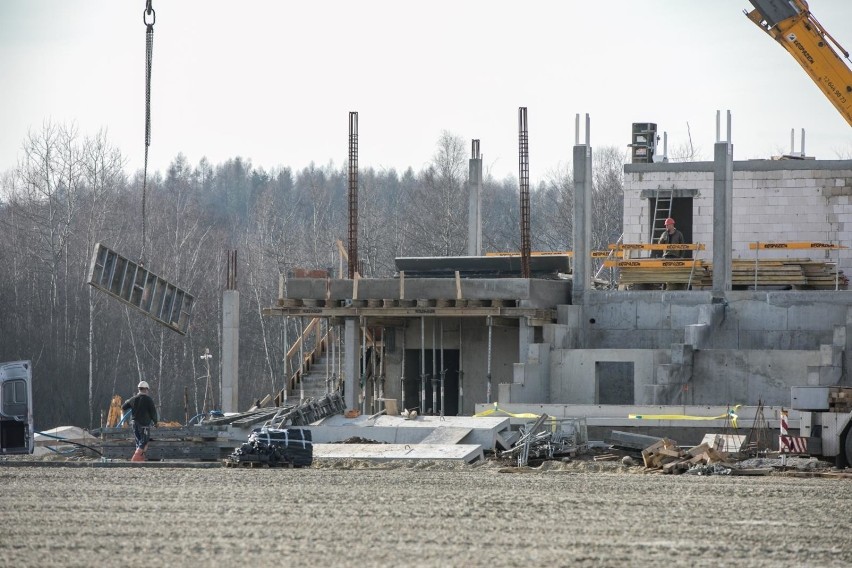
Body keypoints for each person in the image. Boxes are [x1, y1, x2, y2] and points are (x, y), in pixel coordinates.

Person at [122, 380, 159, 462]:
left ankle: (140, 459)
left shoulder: (133, 399)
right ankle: (136, 457)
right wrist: (156, 422)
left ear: (139, 389)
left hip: (134, 423)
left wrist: (128, 401)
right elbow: (153, 412)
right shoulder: (148, 400)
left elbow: (124, 407)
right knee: (144, 441)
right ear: (146, 389)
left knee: (138, 441)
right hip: (144, 424)